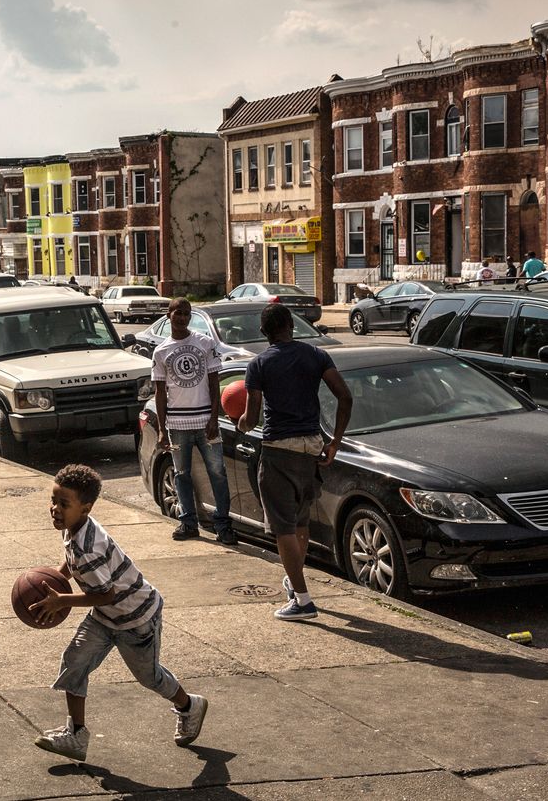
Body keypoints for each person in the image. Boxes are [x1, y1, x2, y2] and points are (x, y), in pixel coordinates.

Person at [28, 464, 208, 762]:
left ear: (86, 509)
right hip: (104, 616)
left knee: (150, 678)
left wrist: (63, 600)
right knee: (75, 661)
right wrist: (58, 579)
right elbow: (73, 563)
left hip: (136, 618)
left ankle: (189, 705)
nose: (55, 509)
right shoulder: (75, 528)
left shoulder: (89, 548)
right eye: (53, 501)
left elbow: (106, 593)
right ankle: (76, 734)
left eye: (63, 504)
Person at [236, 304, 353, 622]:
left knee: (283, 528)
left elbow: (253, 414)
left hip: (279, 451)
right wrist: (335, 442)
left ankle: (302, 600)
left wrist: (241, 422)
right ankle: (294, 581)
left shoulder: (259, 363)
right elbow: (345, 396)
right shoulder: (316, 355)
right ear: (292, 325)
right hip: (311, 448)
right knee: (300, 523)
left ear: (263, 332)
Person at [152, 298, 235, 545]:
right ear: (169, 315)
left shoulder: (204, 343)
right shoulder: (161, 351)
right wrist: (162, 429)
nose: (182, 318)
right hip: (177, 426)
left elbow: (213, 383)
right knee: (182, 474)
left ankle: (223, 526)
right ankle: (188, 523)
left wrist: (213, 418)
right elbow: (159, 392)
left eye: (187, 314)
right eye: (178, 313)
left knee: (218, 473)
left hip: (205, 423)